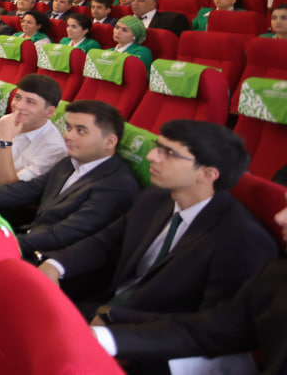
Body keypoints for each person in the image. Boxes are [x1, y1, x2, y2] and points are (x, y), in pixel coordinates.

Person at [37, 120, 277, 329]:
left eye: (168, 153)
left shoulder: (241, 239)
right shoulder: (156, 196)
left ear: (207, 174)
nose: (151, 156)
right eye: (157, 147)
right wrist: (55, 265)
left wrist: (116, 328)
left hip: (151, 334)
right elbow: (106, 241)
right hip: (103, 304)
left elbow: (211, 324)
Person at [93, 193, 287, 372]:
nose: (279, 218)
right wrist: (106, 338)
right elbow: (210, 330)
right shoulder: (275, 275)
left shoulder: (242, 235)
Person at [0, 100, 139, 261]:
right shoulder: (68, 163)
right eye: (69, 128)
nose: (68, 136)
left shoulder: (117, 186)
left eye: (81, 131)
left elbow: (64, 234)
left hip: (54, 260)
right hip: (31, 239)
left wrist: (3, 243)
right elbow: (26, 190)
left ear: (110, 142)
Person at [0, 74, 65, 187]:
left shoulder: (54, 148)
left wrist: (5, 140)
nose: (18, 106)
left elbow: (13, 188)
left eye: (30, 102)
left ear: (49, 112)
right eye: (18, 97)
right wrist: (1, 190)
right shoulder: (6, 121)